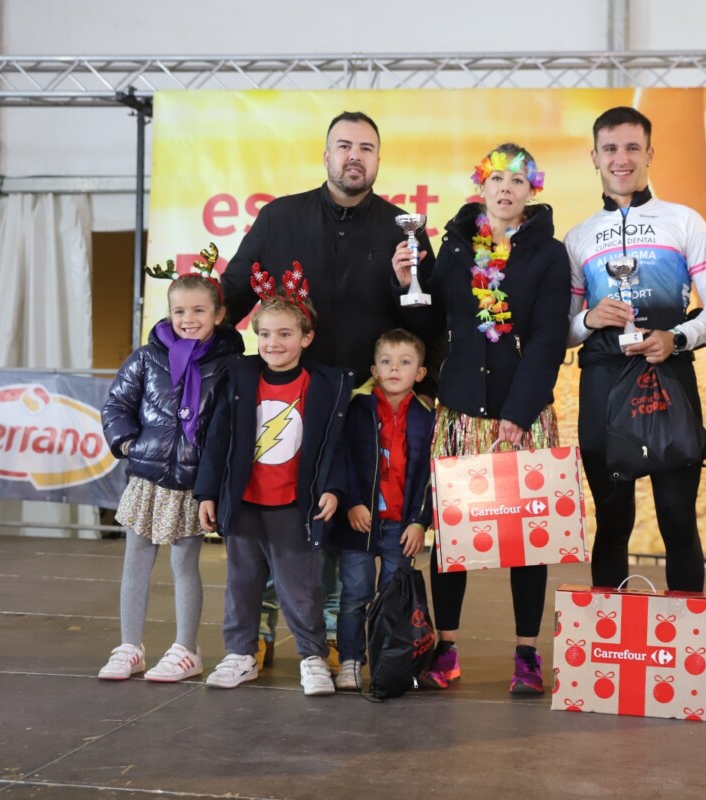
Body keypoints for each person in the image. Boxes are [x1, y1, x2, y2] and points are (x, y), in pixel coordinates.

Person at [220, 110, 441, 666]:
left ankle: (341, 635)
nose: (354, 156)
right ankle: (263, 632)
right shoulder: (279, 217)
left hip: (366, 405)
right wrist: (193, 348)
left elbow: (424, 324)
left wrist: (401, 284)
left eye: (366, 148)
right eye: (343, 145)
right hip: (290, 399)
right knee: (277, 516)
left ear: (377, 161)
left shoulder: (404, 232)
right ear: (325, 155)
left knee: (347, 523)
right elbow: (234, 294)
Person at [565, 106, 706, 594]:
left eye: (632, 148)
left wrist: (677, 338)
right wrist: (588, 319)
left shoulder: (683, 221)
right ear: (594, 157)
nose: (622, 159)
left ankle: (681, 662)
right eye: (611, 149)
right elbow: (562, 333)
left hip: (669, 377)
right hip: (602, 386)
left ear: (650, 154)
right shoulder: (577, 238)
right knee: (613, 525)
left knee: (678, 520)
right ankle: (609, 654)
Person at [421, 143, 570, 694]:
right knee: (452, 537)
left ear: (533, 190)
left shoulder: (548, 254)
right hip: (460, 414)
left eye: (518, 180)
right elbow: (433, 314)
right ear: (480, 186)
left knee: (529, 539)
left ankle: (527, 656)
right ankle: (446, 645)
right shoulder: (456, 247)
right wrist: (403, 279)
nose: (506, 189)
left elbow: (550, 338)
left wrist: (518, 412)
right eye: (496, 179)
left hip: (522, 416)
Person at [195, 274, 354, 696]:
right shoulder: (241, 378)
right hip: (245, 504)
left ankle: (312, 656)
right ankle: (240, 654)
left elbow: (332, 447)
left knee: (300, 588)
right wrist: (208, 492)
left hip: (293, 506)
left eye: (285, 334)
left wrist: (333, 489)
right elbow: (218, 441)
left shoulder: (323, 385)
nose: (273, 343)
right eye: (264, 334)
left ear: (306, 338)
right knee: (242, 584)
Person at [98, 267, 244, 681]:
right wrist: (129, 444)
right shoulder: (146, 358)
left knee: (185, 564)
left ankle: (186, 649)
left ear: (219, 315)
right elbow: (116, 406)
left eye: (199, 310)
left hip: (192, 484)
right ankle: (130, 647)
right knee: (136, 561)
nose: (188, 318)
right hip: (147, 479)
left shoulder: (232, 364)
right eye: (179, 310)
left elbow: (230, 425)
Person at [331, 328, 434, 691]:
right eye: (386, 362)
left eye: (405, 363)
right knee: (354, 595)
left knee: (394, 599)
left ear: (419, 373)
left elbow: (429, 476)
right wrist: (353, 503)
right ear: (374, 369)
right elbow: (343, 460)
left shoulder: (426, 417)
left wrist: (421, 522)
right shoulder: (356, 409)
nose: (394, 369)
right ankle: (350, 660)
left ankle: (390, 663)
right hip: (359, 524)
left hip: (401, 528)